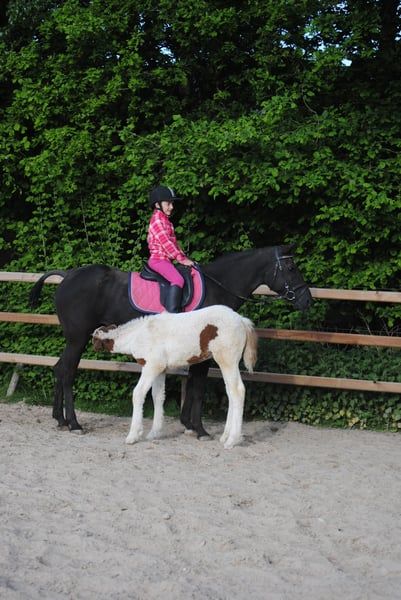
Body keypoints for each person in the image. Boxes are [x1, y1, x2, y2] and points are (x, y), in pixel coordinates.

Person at [147, 185, 194, 312]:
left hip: (166, 260)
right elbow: (166, 243)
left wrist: (183, 255)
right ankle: (171, 314)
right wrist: (181, 259)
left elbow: (174, 243)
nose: (171, 207)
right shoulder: (157, 220)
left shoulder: (166, 221)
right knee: (177, 279)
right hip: (158, 260)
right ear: (157, 205)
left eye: (172, 203)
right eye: (168, 203)